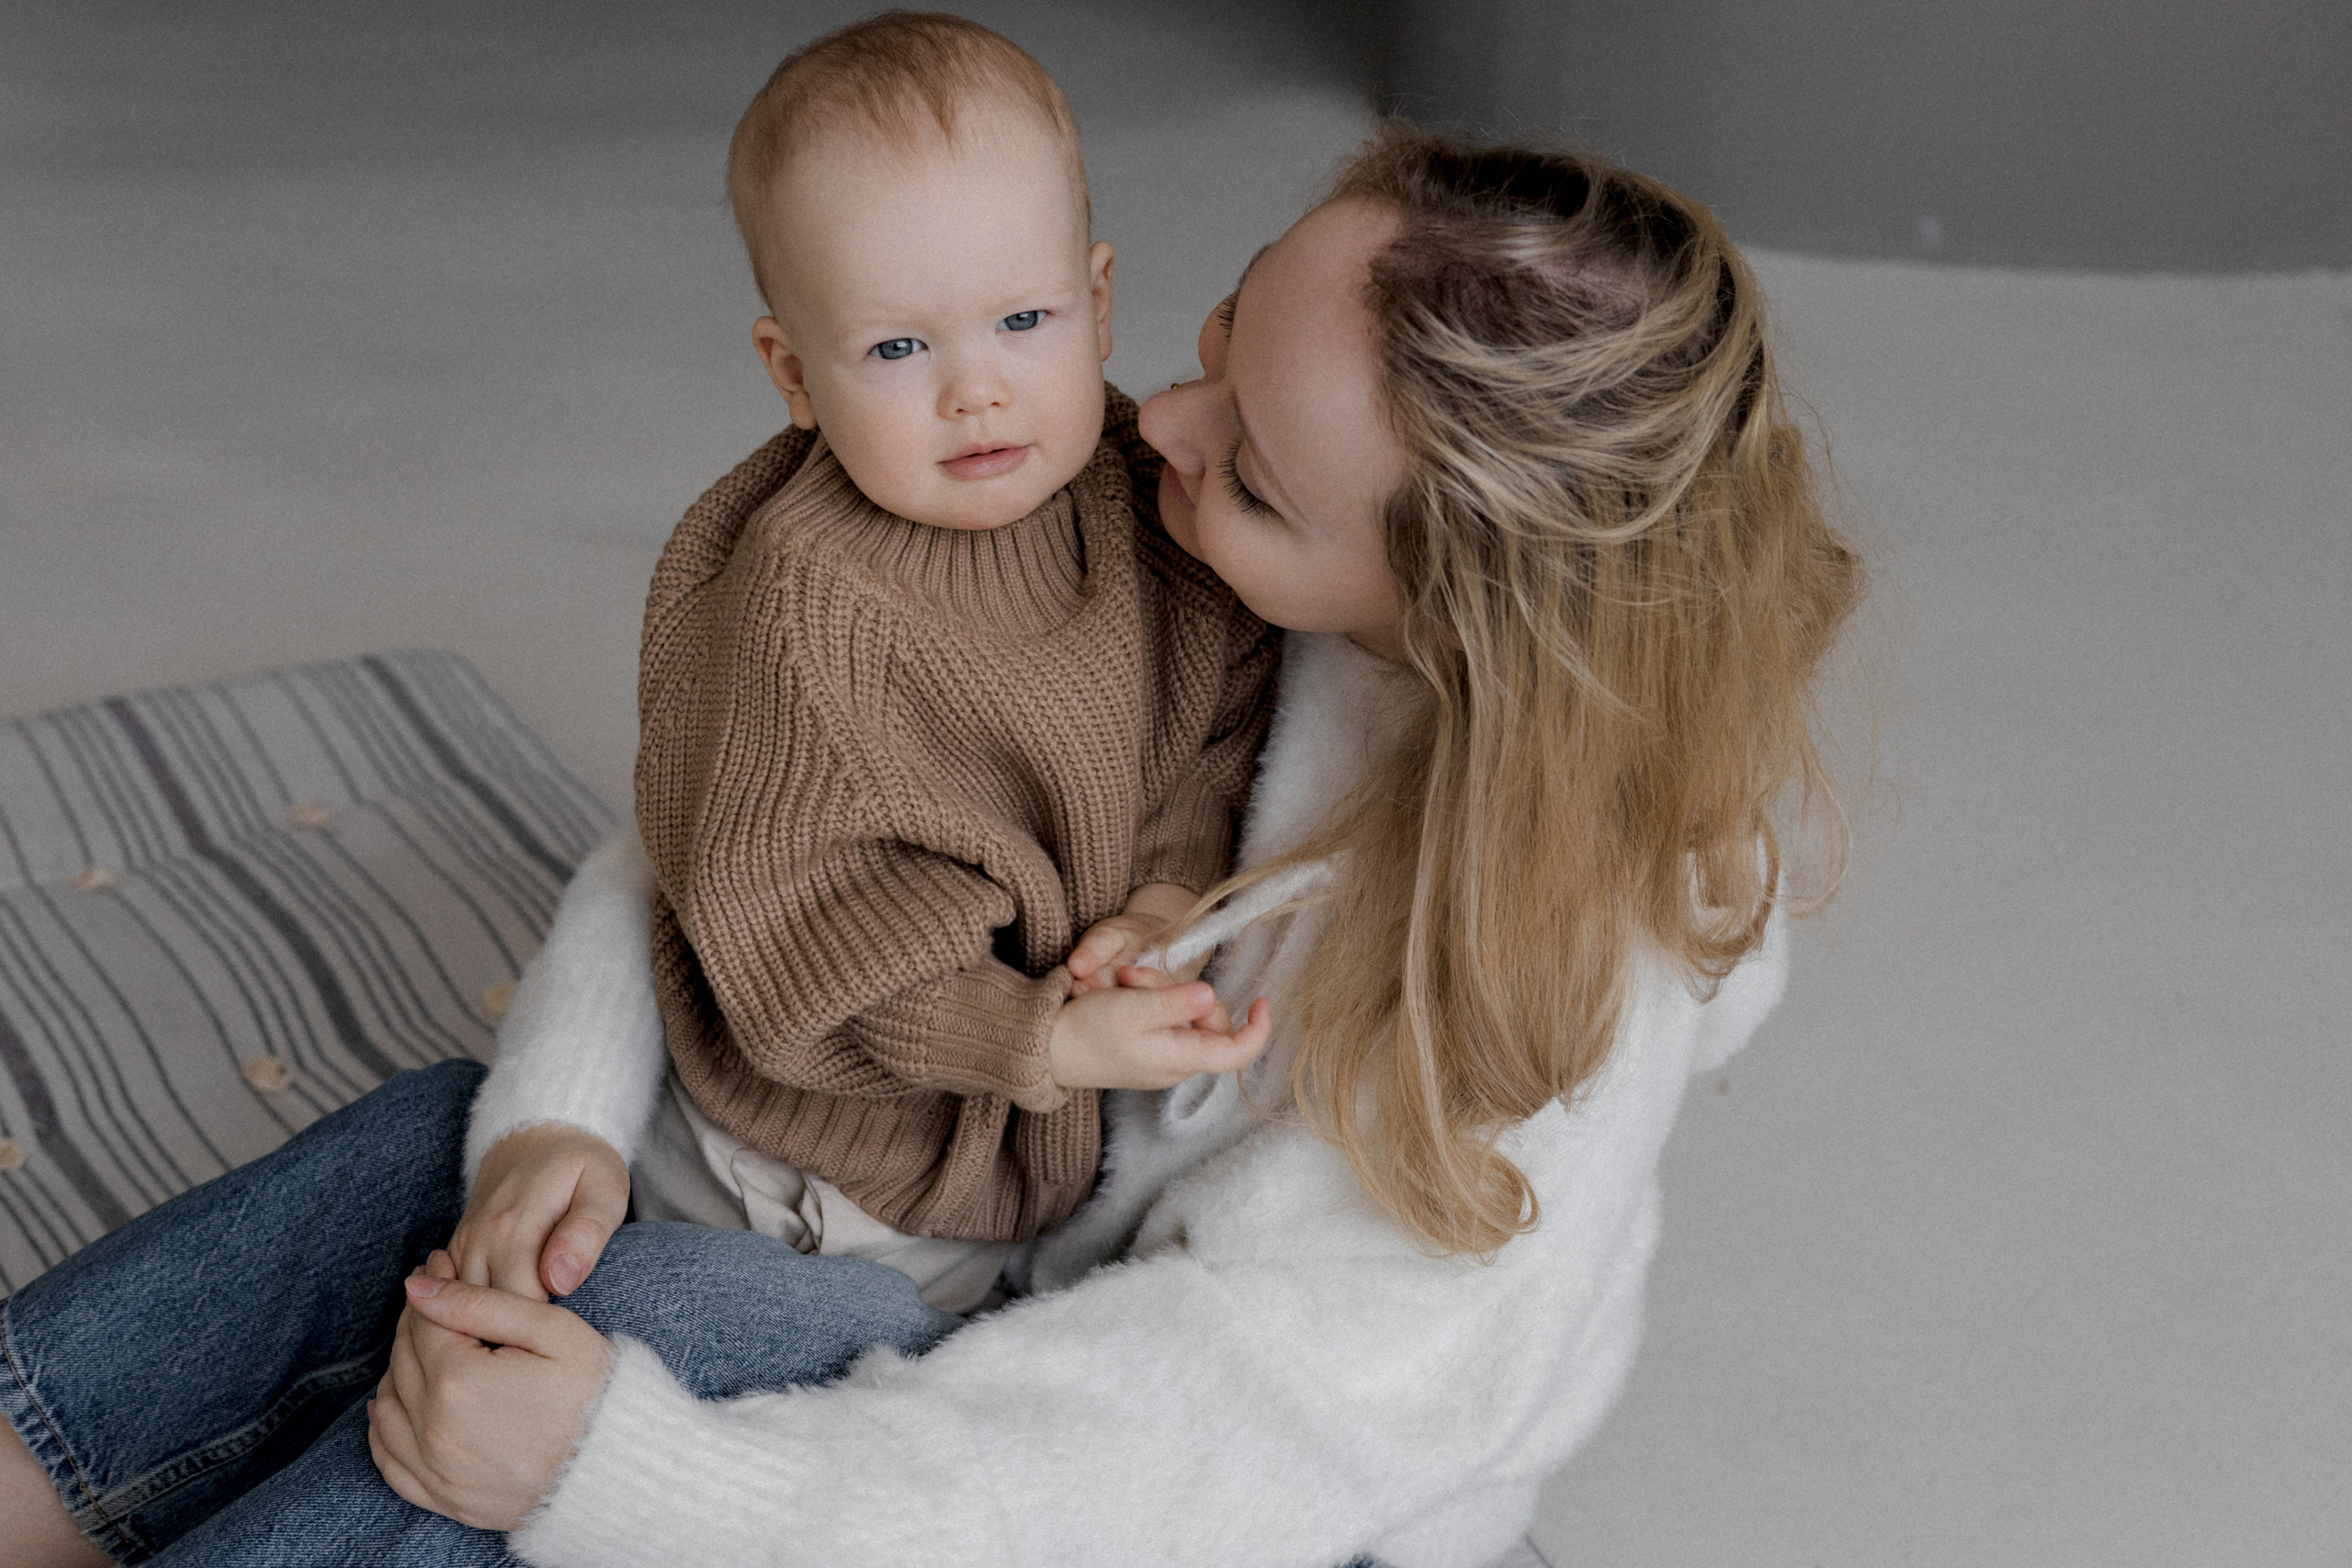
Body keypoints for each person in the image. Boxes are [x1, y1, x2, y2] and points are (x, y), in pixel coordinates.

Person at [0, 121, 1861, 1568]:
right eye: (1209, 340)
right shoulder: (1168, 542)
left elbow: (1206, 1436)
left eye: (1258, 474)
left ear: (1461, 616)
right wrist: (560, 1110)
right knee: (458, 1145)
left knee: (632, 1319)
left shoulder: (1540, 1004)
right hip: (954, 1216)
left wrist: (630, 1475)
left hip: (1174, 1490)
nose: (1161, 431)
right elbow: (741, 851)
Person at [538, 10, 1276, 1318]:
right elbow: (806, 933)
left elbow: (1215, 730)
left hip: (1021, 1148)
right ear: (795, 375)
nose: (974, 390)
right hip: (818, 1172)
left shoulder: (1146, 510)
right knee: (743, 1389)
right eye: (896, 348)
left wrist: (1165, 902)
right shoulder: (807, 612)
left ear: (1098, 303)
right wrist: (1038, 1036)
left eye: (1023, 318)